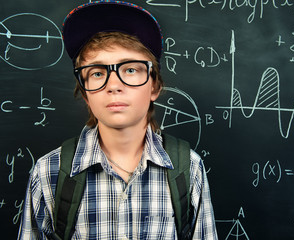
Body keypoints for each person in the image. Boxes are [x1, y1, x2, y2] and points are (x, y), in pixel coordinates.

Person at [18, 1, 218, 239]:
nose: (113, 85)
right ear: (85, 93)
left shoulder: (188, 169)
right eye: (98, 73)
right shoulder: (48, 173)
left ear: (154, 86)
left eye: (131, 70)